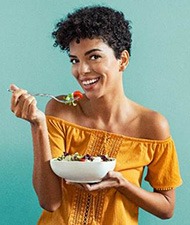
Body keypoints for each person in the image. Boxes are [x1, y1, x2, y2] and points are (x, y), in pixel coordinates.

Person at [10, 5, 182, 225]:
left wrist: (123, 185)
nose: (82, 71)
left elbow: (167, 207)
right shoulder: (60, 110)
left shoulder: (152, 126)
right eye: (75, 60)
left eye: (94, 57)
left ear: (123, 60)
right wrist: (37, 125)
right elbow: (50, 202)